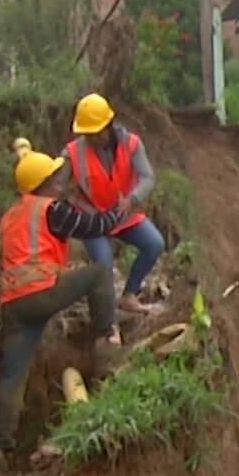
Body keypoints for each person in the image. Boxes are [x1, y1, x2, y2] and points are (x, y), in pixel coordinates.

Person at [0, 142, 129, 474]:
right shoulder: (51, 209)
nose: (60, 181)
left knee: (12, 376)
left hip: (14, 303)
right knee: (97, 273)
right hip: (42, 290)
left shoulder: (10, 216)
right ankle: (106, 338)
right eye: (55, 176)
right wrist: (118, 212)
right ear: (45, 184)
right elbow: (91, 227)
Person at [63, 93, 167, 314]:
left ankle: (129, 295)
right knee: (104, 263)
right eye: (87, 134)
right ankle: (108, 325)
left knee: (154, 244)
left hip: (123, 214)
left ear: (108, 126)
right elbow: (55, 184)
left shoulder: (131, 144)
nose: (92, 139)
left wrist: (133, 199)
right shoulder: (73, 154)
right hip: (93, 221)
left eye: (96, 133)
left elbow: (147, 177)